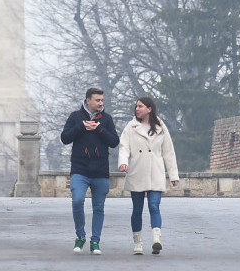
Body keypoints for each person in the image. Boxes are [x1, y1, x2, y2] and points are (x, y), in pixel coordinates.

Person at [60, 87, 119, 255]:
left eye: (102, 100)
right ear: (88, 101)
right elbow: (64, 138)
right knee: (77, 201)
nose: (101, 103)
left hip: (100, 171)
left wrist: (99, 129)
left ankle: (95, 241)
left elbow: (114, 141)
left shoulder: (106, 119)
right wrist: (81, 127)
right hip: (80, 170)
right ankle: (80, 235)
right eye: (97, 100)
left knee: (98, 207)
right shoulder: (75, 117)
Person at [118, 96, 179, 256]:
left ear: (149, 109)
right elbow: (124, 147)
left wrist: (173, 175)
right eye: (136, 106)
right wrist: (123, 162)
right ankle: (137, 243)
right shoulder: (130, 127)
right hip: (137, 171)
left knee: (154, 206)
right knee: (137, 209)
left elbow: (169, 152)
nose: (137, 109)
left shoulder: (160, 127)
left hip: (155, 172)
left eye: (140, 106)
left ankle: (156, 239)